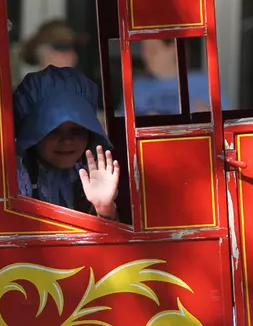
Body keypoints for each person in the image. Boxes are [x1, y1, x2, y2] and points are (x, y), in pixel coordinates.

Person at [14, 66, 120, 220]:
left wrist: (104, 209)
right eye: (53, 130)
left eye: (77, 130)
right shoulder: (16, 179)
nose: (67, 140)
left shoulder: (97, 174)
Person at [130, 38, 218, 114]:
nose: (146, 56)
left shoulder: (202, 82)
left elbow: (222, 121)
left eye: (153, 50)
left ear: (173, 50)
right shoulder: (137, 86)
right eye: (144, 51)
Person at [16, 19, 81, 83]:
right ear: (42, 53)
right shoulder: (30, 90)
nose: (72, 54)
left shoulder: (81, 88)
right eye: (62, 47)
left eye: (74, 47)